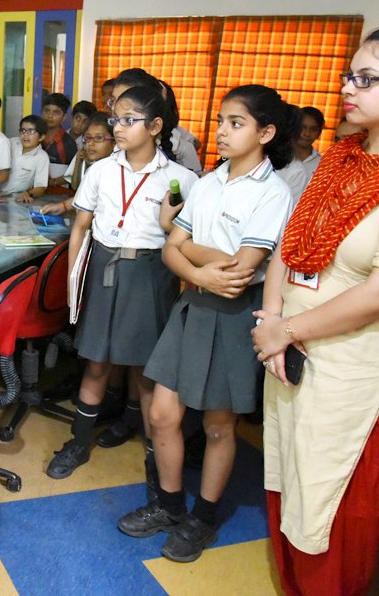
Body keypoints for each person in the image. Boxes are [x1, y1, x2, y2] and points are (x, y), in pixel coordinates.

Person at [252, 24, 379, 595]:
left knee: (332, 497)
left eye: (367, 79)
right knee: (289, 476)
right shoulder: (343, 154)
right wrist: (271, 320)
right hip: (292, 350)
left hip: (359, 368)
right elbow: (291, 244)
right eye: (349, 76)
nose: (348, 88)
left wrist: (287, 328)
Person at [120, 84, 296, 563]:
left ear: (265, 133)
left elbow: (242, 268)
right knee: (162, 414)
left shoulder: (273, 192)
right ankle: (169, 504)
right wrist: (199, 271)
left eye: (236, 123)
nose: (221, 131)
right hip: (194, 304)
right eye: (221, 121)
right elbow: (170, 248)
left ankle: (203, 517)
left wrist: (190, 252)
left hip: (235, 316)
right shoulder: (208, 181)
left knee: (219, 425)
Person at [46, 88, 197, 480]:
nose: (119, 127)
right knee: (96, 362)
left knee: (146, 371)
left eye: (130, 120)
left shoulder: (181, 179)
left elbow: (187, 241)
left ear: (156, 126)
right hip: (103, 268)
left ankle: (155, 459)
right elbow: (81, 227)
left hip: (151, 274)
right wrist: (74, 283)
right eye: (116, 119)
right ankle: (79, 442)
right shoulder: (100, 171)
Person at [40, 112, 117, 214]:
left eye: (99, 138)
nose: (91, 143)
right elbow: (85, 194)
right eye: (88, 138)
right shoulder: (88, 159)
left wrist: (64, 206)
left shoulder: (117, 170)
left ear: (114, 142)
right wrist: (63, 206)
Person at [1, 115, 50, 203]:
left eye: (31, 131)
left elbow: (40, 187)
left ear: (41, 137)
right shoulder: (10, 143)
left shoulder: (42, 157)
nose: (25, 135)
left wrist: (27, 193)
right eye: (22, 130)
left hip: (16, 199)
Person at [40, 92, 76, 165]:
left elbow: (73, 170)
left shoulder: (68, 144)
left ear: (64, 117)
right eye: (47, 111)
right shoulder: (34, 136)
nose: (50, 116)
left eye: (56, 112)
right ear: (42, 113)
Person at [294, 106, 324, 174]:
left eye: (313, 129)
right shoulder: (279, 157)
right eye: (303, 127)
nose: (307, 134)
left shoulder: (322, 165)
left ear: (319, 133)